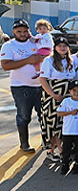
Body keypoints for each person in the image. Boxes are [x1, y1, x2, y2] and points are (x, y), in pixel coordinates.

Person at [1, 19, 49, 152]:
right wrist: (28, 60)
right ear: (13, 32)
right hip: (21, 87)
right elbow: (5, 65)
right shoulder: (9, 46)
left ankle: (46, 141)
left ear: (29, 31)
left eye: (25, 31)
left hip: (41, 86)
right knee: (24, 116)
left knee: (44, 115)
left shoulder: (36, 42)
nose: (22, 34)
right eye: (19, 31)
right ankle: (24, 143)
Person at [38, 37, 75, 160]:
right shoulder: (49, 60)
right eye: (60, 46)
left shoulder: (70, 60)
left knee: (62, 124)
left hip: (67, 96)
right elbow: (43, 79)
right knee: (52, 123)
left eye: (65, 46)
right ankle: (61, 150)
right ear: (55, 47)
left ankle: (53, 150)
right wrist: (53, 95)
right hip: (53, 97)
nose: (62, 48)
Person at [56, 79, 78, 175]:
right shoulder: (66, 101)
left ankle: (77, 163)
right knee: (66, 149)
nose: (76, 93)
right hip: (68, 131)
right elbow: (59, 113)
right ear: (70, 91)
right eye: (74, 90)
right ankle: (65, 164)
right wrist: (70, 113)